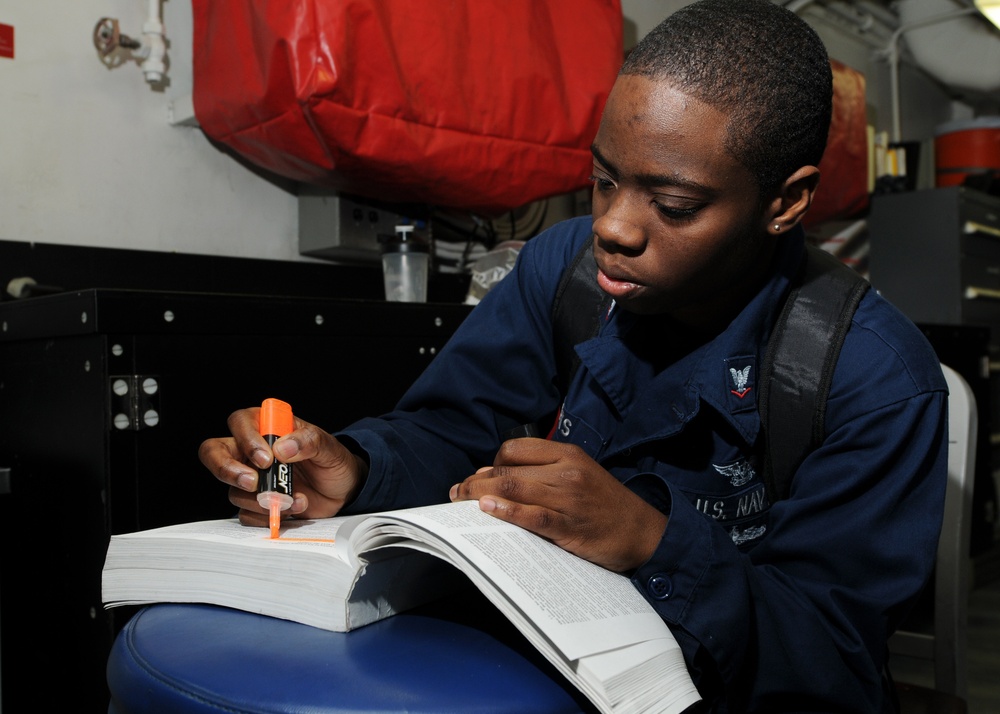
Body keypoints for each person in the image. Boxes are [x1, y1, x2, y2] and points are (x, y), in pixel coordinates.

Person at [199, 0, 948, 710]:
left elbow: (832, 658)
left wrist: (653, 541)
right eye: (603, 179)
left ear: (785, 203)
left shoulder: (873, 379)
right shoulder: (565, 270)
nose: (614, 226)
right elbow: (453, 428)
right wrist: (359, 469)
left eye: (675, 205)